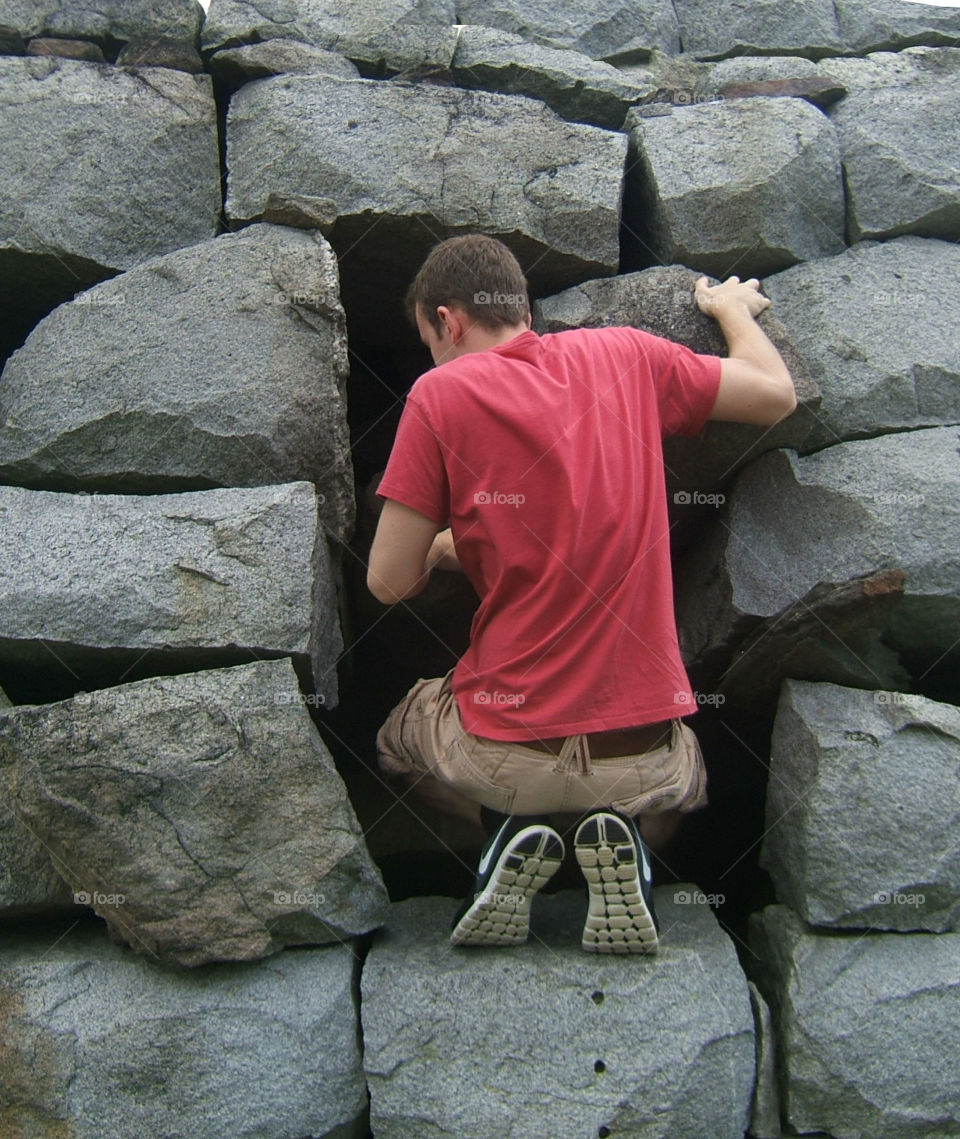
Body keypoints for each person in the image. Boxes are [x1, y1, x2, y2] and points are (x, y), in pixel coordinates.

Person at [367, 235, 796, 953]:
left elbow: (386, 581)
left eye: (428, 339)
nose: (432, 357)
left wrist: (451, 544)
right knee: (680, 787)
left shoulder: (439, 394)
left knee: (395, 742)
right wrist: (730, 309)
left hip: (501, 753)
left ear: (450, 320)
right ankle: (621, 844)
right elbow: (775, 394)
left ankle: (504, 835)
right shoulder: (627, 355)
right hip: (637, 757)